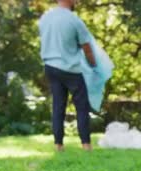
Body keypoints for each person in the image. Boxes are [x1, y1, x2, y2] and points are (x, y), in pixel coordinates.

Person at [38, 0, 97, 152]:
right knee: (82, 107)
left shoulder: (45, 18)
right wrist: (93, 65)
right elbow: (86, 47)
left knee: (58, 106)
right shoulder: (74, 20)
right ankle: (86, 145)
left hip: (50, 67)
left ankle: (58, 145)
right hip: (71, 69)